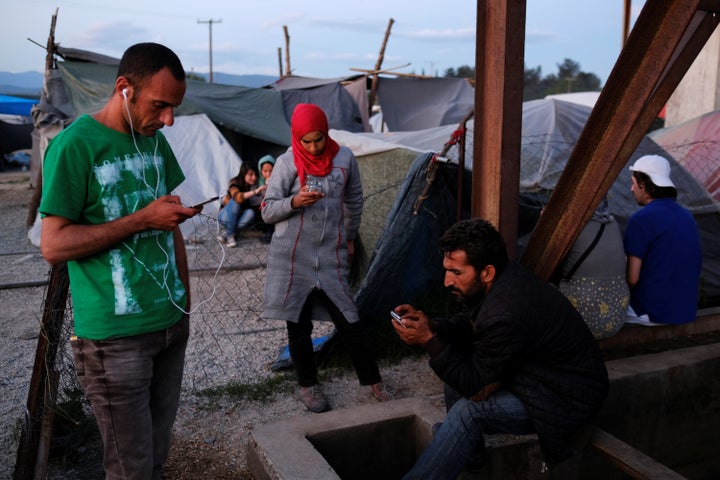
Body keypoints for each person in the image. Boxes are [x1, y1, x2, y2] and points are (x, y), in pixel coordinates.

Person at [39, 43, 201, 479]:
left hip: (169, 324)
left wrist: (183, 300)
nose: (167, 119)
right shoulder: (75, 145)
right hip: (114, 341)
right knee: (130, 469)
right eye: (160, 105)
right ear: (124, 88)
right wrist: (140, 219)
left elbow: (170, 227)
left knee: (156, 457)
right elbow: (53, 245)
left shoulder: (154, 142)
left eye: (174, 108)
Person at [392, 218, 609, 479]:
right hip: (539, 376)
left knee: (469, 412)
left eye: (457, 273)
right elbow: (471, 323)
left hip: (565, 399)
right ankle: (469, 457)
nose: (447, 281)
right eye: (447, 270)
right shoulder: (502, 280)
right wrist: (432, 326)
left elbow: (474, 384)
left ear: (487, 272)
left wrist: (429, 341)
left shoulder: (506, 311)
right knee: (455, 375)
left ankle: (454, 445)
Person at [261, 103, 393, 413]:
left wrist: (348, 237)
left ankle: (374, 381)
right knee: (298, 324)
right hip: (293, 257)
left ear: (326, 132)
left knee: (350, 319)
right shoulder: (287, 162)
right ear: (296, 137)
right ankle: (308, 386)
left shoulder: (344, 158)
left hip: (331, 254)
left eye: (319, 139)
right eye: (306, 141)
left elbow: (354, 200)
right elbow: (267, 210)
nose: (313, 146)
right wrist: (295, 201)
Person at [624, 154, 702, 326]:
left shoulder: (641, 219)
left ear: (644, 185)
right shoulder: (686, 216)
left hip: (652, 312)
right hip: (685, 310)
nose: (631, 189)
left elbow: (632, 278)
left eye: (633, 183)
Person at [554, 198, 629, 338]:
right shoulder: (613, 223)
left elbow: (554, 265)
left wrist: (551, 223)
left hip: (582, 322)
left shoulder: (573, 225)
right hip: (616, 319)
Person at [217, 163, 265, 247]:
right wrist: (254, 192)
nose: (254, 177)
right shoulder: (234, 182)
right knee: (236, 201)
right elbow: (238, 198)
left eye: (255, 175)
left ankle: (226, 233)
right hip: (225, 216)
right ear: (243, 174)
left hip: (239, 217)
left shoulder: (254, 185)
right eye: (250, 175)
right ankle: (230, 235)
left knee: (251, 213)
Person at [257, 154, 275, 244]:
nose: (268, 174)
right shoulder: (257, 180)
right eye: (265, 171)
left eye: (271, 171)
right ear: (260, 171)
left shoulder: (279, 179)